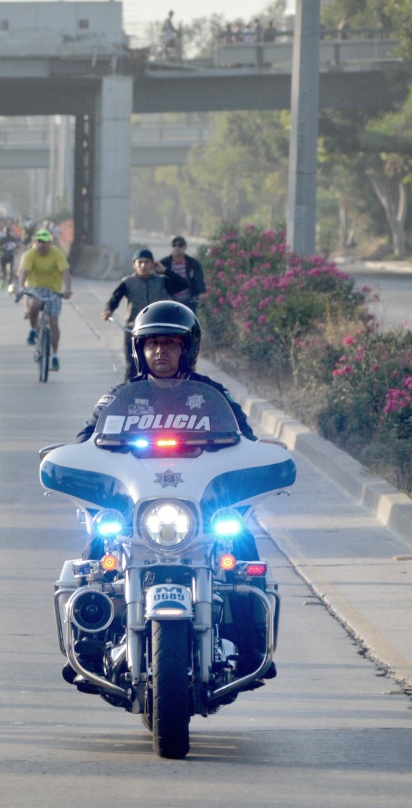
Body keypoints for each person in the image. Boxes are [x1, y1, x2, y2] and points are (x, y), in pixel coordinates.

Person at [73, 302, 279, 676]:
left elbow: (248, 442)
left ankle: (252, 648)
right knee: (95, 552)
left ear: (188, 349)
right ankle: (88, 643)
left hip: (201, 508)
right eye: (151, 344)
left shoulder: (215, 396)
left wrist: (262, 458)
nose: (160, 352)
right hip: (137, 508)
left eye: (169, 343)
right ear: (139, 350)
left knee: (245, 550)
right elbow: (86, 443)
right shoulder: (119, 399)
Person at [102, 248, 189, 378]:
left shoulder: (162, 281)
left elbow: (183, 284)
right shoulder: (128, 282)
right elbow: (115, 298)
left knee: (156, 367)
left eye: (147, 262)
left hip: (157, 331)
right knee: (132, 367)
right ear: (134, 265)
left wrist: (165, 271)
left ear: (153, 264)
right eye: (140, 262)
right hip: (134, 329)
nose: (143, 266)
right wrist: (108, 310)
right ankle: (129, 395)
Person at [17, 229, 72, 371]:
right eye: (39, 242)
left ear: (50, 243)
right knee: (35, 303)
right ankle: (33, 329)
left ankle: (55, 356)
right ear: (35, 242)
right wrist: (22, 287)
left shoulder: (57, 254)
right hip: (35, 287)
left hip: (53, 289)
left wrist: (68, 289)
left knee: (53, 322)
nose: (41, 245)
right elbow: (24, 273)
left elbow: (65, 272)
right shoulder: (30, 254)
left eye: (45, 242)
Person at [159, 235, 206, 314]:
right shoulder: (164, 263)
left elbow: (199, 279)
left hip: (189, 300)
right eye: (174, 245)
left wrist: (202, 292)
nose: (177, 247)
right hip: (169, 300)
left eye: (180, 245)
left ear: (185, 248)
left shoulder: (193, 263)